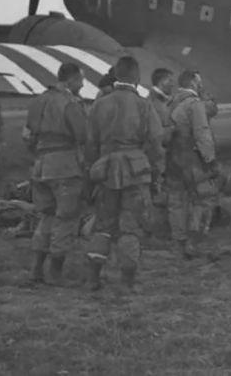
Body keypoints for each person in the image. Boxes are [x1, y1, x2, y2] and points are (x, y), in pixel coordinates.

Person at [84, 56, 164, 292]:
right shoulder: (144, 105)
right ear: (136, 77)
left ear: (116, 75)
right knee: (130, 226)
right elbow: (156, 141)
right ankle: (127, 282)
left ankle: (93, 278)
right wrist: (153, 169)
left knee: (103, 225)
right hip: (135, 170)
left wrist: (93, 170)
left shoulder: (99, 104)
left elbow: (90, 143)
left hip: (106, 168)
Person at [22, 62, 88, 286]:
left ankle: (36, 269)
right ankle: (55, 273)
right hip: (65, 166)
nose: (83, 84)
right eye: (81, 79)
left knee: (46, 217)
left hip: (41, 165)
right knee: (66, 218)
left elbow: (27, 136)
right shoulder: (70, 103)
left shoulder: (38, 100)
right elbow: (83, 135)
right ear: (70, 80)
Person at [164, 70, 220, 258]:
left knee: (176, 201)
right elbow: (202, 132)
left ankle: (178, 239)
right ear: (194, 83)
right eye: (199, 81)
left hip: (172, 158)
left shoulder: (171, 102)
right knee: (203, 198)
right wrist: (210, 160)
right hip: (192, 160)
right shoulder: (194, 104)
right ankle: (193, 240)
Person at [146, 67, 176, 240]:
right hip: (158, 154)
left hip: (164, 153)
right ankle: (158, 230)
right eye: (169, 79)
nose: (172, 83)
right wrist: (174, 129)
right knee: (158, 192)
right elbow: (155, 132)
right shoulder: (153, 103)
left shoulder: (163, 101)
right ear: (160, 81)